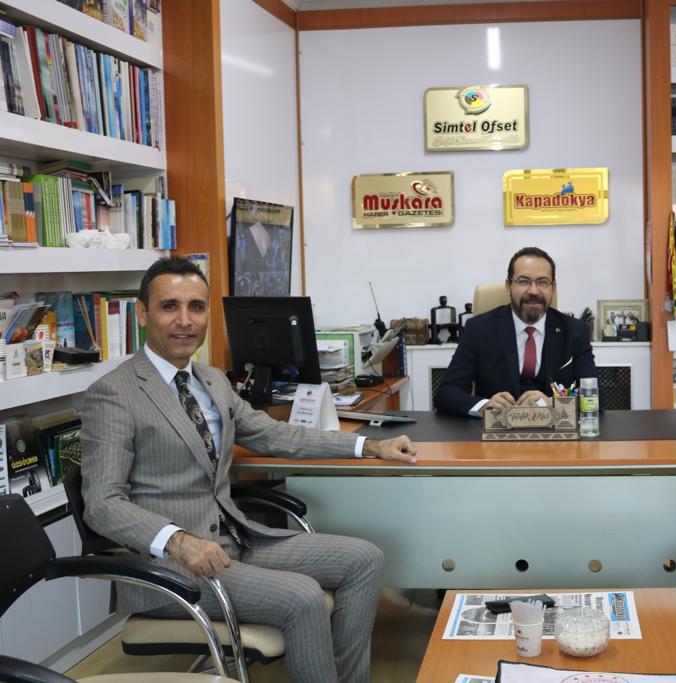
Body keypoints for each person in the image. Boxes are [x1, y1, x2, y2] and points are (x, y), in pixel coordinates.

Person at [80, 257, 418, 683]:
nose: (185, 321)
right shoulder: (114, 393)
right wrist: (178, 541)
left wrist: (369, 446)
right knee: (303, 597)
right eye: (169, 307)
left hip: (237, 539)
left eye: (196, 307)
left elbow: (278, 435)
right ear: (143, 314)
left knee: (364, 559)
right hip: (173, 568)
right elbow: (102, 503)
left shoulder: (212, 380)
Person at [433, 247, 598, 416]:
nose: (533, 291)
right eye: (524, 281)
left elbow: (596, 398)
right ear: (508, 286)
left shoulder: (575, 331)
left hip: (555, 429)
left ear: (553, 288)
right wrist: (484, 405)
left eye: (542, 282)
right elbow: (446, 393)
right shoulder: (479, 329)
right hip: (497, 428)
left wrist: (555, 403)